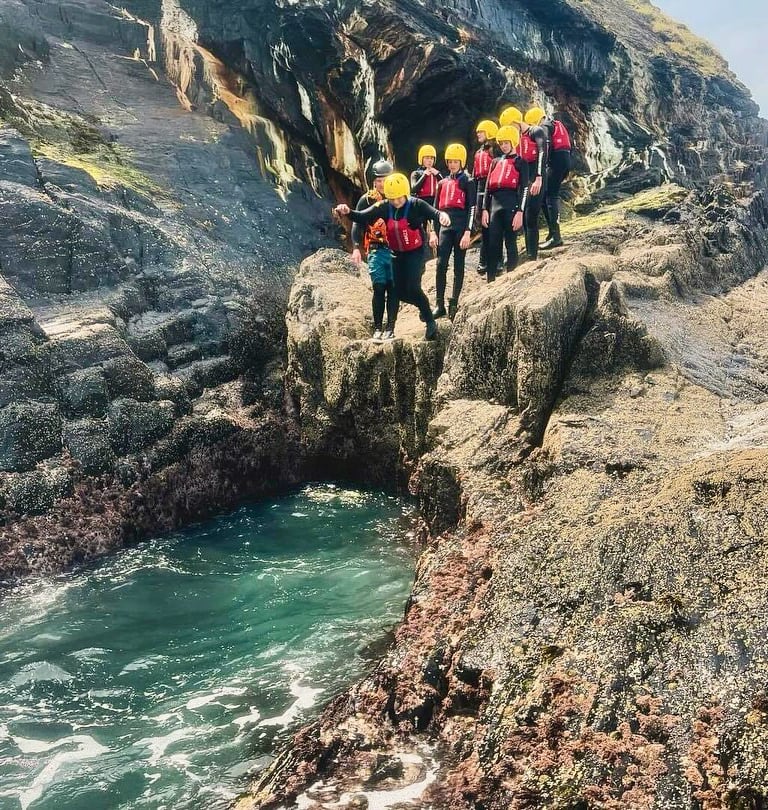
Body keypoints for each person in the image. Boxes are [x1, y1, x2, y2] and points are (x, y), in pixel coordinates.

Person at [334, 173, 451, 341]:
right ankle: (424, 308)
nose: (396, 202)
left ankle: (430, 321)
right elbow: (362, 216)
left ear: (405, 194)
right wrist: (348, 211)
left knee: (413, 287)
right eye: (392, 199)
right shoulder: (384, 206)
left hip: (415, 253)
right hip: (396, 254)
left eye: (399, 198)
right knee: (399, 292)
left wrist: (442, 216)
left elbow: (435, 213)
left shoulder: (416, 204)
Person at [349, 158, 397, 342]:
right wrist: (356, 248)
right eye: (378, 180)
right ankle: (378, 328)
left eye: (385, 179)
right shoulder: (367, 199)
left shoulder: (398, 197)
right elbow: (357, 224)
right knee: (379, 287)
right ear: (373, 181)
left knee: (393, 288)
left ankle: (391, 327)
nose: (382, 183)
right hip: (376, 249)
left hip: (395, 250)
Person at [433, 144, 475, 321]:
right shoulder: (442, 183)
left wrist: (468, 232)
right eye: (450, 161)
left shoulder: (468, 181)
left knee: (459, 265)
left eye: (455, 161)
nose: (452, 165)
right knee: (441, 264)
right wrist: (433, 233)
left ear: (462, 162)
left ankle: (454, 301)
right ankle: (439, 304)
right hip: (445, 227)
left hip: (460, 225)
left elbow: (472, 208)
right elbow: (434, 210)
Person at [481, 125, 529, 282]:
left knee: (510, 242)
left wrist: (520, 212)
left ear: (513, 142)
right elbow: (487, 187)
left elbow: (524, 188)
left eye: (506, 143)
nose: (503, 146)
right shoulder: (495, 162)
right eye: (501, 143)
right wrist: (484, 209)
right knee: (493, 243)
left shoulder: (521, 162)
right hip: (494, 206)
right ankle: (491, 279)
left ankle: (512, 279)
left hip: (511, 205)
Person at [500, 106, 548, 260]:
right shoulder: (517, 139)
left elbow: (542, 152)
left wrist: (539, 177)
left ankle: (532, 256)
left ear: (516, 122)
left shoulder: (536, 131)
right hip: (525, 180)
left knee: (531, 215)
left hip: (536, 177)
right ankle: (528, 253)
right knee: (524, 216)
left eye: (510, 126)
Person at [524, 106, 572, 249]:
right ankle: (552, 233)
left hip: (556, 161)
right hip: (565, 159)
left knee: (549, 196)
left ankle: (556, 237)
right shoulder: (556, 123)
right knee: (546, 195)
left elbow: (545, 147)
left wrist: (541, 169)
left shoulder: (544, 127)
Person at [472, 120, 497, 276]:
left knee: (493, 227)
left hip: (492, 189)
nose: (478, 134)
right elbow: (475, 174)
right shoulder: (478, 152)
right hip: (480, 189)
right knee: (483, 226)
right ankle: (483, 261)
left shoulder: (494, 150)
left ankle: (495, 260)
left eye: (480, 132)